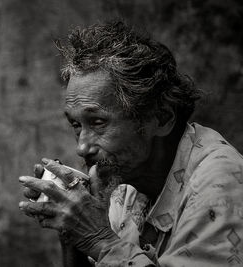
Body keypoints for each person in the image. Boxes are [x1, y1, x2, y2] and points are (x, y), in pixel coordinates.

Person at [18, 20, 243, 266]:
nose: (82, 148)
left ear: (161, 117)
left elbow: (107, 248)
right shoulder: (125, 186)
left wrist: (100, 239)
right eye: (76, 125)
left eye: (98, 122)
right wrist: (73, 231)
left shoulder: (220, 181)